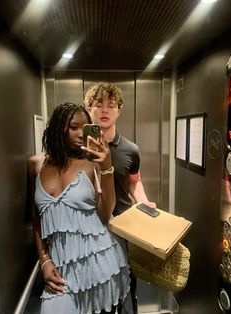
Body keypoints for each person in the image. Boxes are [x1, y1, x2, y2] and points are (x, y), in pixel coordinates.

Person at [27, 102, 133, 314]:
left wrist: (107, 167)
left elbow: (104, 215)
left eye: (85, 128)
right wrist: (44, 261)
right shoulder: (36, 165)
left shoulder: (92, 163)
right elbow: (37, 218)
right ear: (59, 128)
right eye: (74, 127)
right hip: (61, 267)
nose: (79, 134)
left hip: (100, 264)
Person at [84, 82, 156, 314]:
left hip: (122, 230)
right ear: (88, 107)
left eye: (111, 105)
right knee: (94, 292)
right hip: (89, 231)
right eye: (98, 104)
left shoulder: (130, 149)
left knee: (126, 289)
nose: (105, 110)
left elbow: (134, 182)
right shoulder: (77, 149)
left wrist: (143, 200)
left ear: (119, 110)